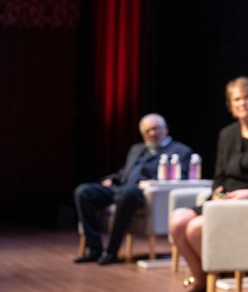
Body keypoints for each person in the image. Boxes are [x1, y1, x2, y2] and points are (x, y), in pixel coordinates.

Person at [169, 76, 248, 292]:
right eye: (237, 99)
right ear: (230, 104)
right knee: (178, 221)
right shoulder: (226, 134)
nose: (242, 103)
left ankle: (215, 274)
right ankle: (201, 278)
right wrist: (217, 193)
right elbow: (219, 175)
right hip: (227, 200)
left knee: (195, 228)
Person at [74, 113, 193, 265]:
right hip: (120, 187)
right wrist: (111, 179)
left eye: (155, 129)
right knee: (83, 191)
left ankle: (111, 250)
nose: (152, 133)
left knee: (128, 193)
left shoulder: (180, 151)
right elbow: (125, 172)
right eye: (147, 131)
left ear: (166, 129)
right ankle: (94, 248)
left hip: (141, 193)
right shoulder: (137, 149)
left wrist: (151, 182)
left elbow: (180, 177)